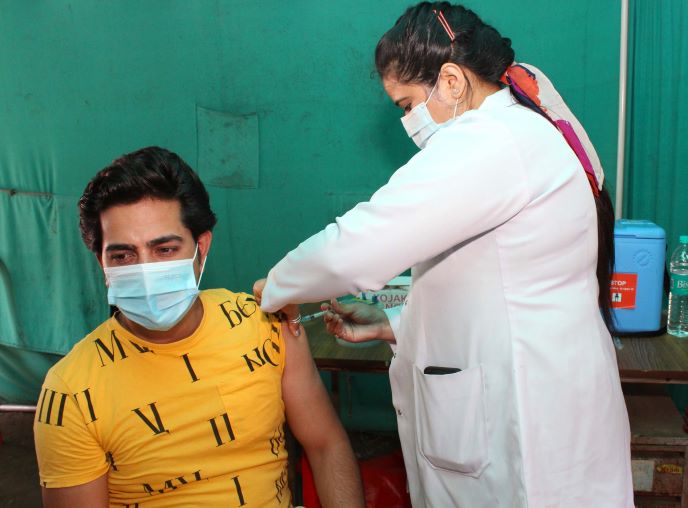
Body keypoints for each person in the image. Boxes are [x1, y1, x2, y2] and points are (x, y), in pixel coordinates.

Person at [254, 2, 633, 506]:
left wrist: (276, 285)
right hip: (543, 390)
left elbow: (359, 246)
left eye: (407, 104)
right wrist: (393, 321)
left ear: (452, 81)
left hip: (530, 419)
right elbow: (492, 284)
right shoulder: (520, 131)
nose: (408, 121)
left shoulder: (491, 140)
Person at [33, 147, 364, 507]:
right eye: (123, 255)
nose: (146, 272)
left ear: (201, 248)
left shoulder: (265, 324)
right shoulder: (71, 392)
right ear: (102, 263)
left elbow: (326, 445)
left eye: (164, 249)